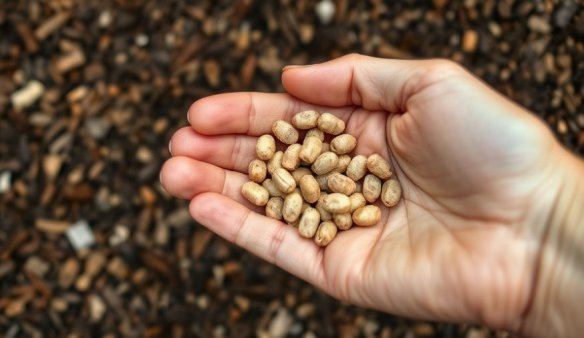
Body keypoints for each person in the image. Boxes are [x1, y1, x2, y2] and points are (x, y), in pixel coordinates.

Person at [160, 54, 584, 337]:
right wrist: (546, 221)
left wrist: (546, 218)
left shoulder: (332, 174)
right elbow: (311, 187)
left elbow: (326, 190)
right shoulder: (305, 170)